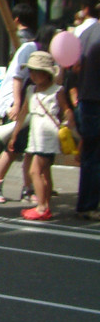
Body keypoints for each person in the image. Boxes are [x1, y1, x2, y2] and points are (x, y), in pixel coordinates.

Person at [8, 51, 78, 221]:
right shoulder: (31, 90)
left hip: (48, 134)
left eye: (36, 71)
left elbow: (66, 109)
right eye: (31, 71)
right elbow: (24, 113)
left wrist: (69, 120)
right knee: (45, 172)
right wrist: (14, 135)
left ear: (46, 73)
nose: (32, 74)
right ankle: (45, 204)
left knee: (34, 171)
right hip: (35, 132)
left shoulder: (57, 90)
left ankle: (41, 207)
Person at [0, 3, 39, 203]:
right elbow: (18, 77)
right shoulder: (28, 46)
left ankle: (27, 189)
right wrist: (16, 105)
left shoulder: (27, 43)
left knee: (28, 149)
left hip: (24, 105)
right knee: (11, 149)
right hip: (10, 105)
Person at [76, 16, 100, 220]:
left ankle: (85, 203)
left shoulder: (85, 34)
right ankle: (92, 204)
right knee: (96, 156)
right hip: (97, 100)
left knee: (89, 155)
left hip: (85, 98)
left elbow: (73, 66)